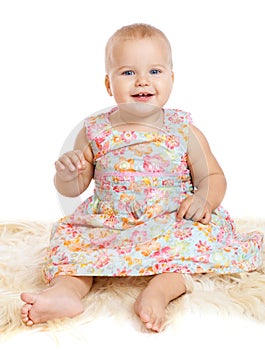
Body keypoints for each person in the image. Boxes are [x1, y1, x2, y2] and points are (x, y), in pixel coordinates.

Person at [20, 23, 263, 332]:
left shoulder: (183, 130)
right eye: (128, 73)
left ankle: (158, 292)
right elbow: (74, 187)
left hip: (168, 218)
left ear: (172, 79)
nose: (142, 81)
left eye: (155, 71)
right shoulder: (94, 131)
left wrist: (204, 198)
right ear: (108, 84)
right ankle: (66, 292)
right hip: (109, 222)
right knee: (72, 245)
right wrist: (69, 175)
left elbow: (212, 175)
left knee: (193, 243)